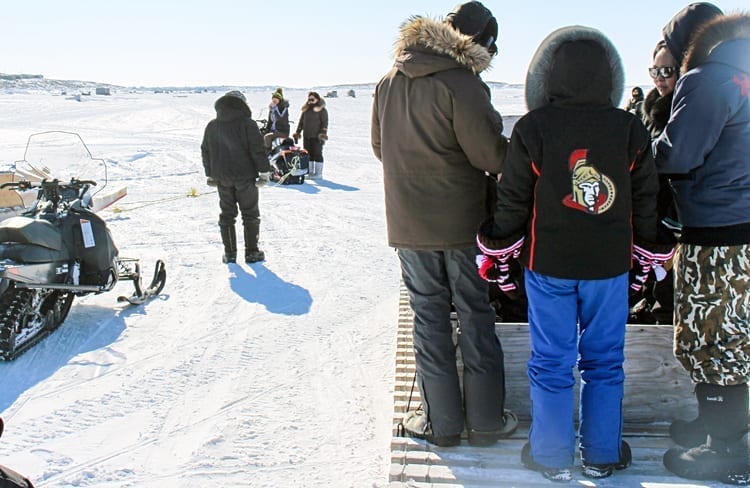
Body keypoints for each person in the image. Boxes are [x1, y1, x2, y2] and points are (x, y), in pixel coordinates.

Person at [477, 25, 668, 481]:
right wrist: (648, 255)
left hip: (551, 267)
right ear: (608, 78)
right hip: (609, 268)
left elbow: (513, 200)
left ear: (550, 77)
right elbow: (646, 202)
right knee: (604, 361)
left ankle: (550, 454)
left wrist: (499, 245)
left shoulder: (533, 128)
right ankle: (601, 454)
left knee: (551, 360)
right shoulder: (630, 128)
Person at [371, 1, 517, 448]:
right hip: (462, 223)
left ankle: (442, 422)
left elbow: (380, 147)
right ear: (481, 43)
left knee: (428, 317)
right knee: (474, 314)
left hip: (409, 223)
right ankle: (487, 420)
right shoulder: (463, 84)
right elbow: (490, 157)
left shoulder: (388, 81)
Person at [652, 4, 750, 484]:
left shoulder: (710, 77)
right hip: (742, 225)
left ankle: (725, 448)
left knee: (711, 335)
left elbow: (678, 154)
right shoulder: (742, 71)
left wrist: (639, 148)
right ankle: (716, 423)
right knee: (734, 329)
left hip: (716, 233)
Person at [629, 39, 682, 325]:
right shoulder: (647, 109)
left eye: (667, 71)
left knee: (669, 274)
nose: (660, 79)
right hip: (650, 202)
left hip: (676, 207)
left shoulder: (686, 108)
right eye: (655, 71)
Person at [201, 90, 271, 264]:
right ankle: (252, 252)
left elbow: (205, 150)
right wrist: (264, 172)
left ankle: (230, 254)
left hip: (222, 178)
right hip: (245, 178)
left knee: (227, 215)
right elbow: (257, 149)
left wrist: (210, 173)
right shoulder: (248, 124)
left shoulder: (212, 125)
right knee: (250, 214)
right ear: (242, 104)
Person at [293, 91, 329, 180]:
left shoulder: (322, 110)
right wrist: (298, 133)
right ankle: (310, 172)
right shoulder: (306, 110)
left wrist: (322, 134)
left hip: (317, 136)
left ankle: (318, 173)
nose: (310, 100)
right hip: (307, 135)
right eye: (309, 99)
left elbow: (325, 123)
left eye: (312, 99)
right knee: (308, 154)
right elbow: (301, 122)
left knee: (317, 153)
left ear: (317, 99)